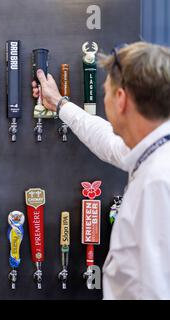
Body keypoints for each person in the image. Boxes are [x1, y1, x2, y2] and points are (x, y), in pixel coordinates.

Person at [32, 42, 170, 299]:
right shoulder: (153, 152)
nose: (103, 99)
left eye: (106, 92)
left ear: (120, 100)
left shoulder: (158, 181)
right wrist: (60, 104)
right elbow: (107, 141)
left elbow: (155, 289)